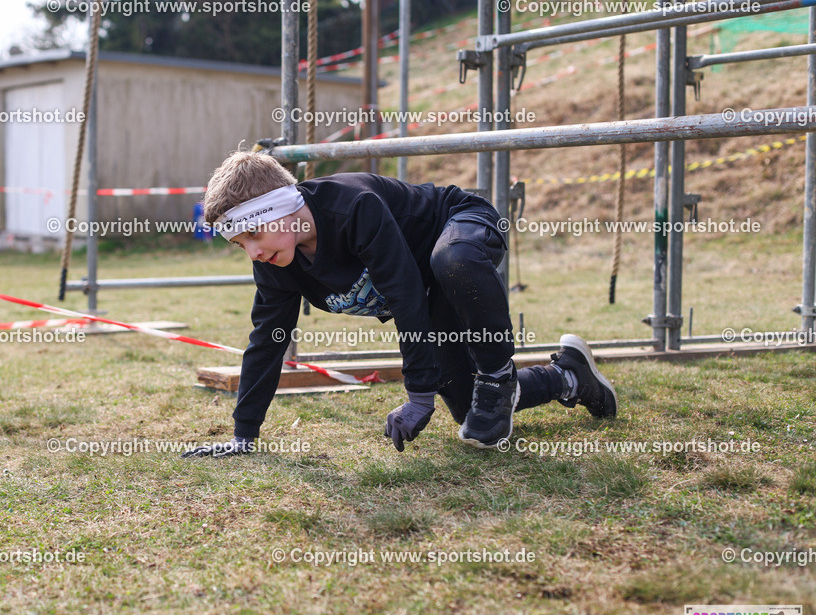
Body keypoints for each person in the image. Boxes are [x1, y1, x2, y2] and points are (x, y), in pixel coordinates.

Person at [182, 151, 616, 458]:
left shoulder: (353, 207)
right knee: (474, 414)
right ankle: (569, 377)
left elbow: (404, 294)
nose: (253, 252)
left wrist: (418, 395)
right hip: (427, 287)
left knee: (453, 259)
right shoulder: (276, 261)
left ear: (282, 208)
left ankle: (497, 373)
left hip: (460, 228)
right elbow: (267, 340)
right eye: (241, 245)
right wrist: (243, 435)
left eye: (253, 235)